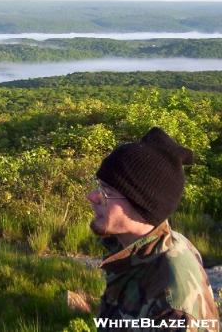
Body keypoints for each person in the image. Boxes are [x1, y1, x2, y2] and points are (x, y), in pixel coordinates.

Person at [86, 127, 219, 332]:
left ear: (141, 203)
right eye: (98, 185)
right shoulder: (138, 251)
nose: (92, 197)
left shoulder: (173, 306)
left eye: (106, 192)